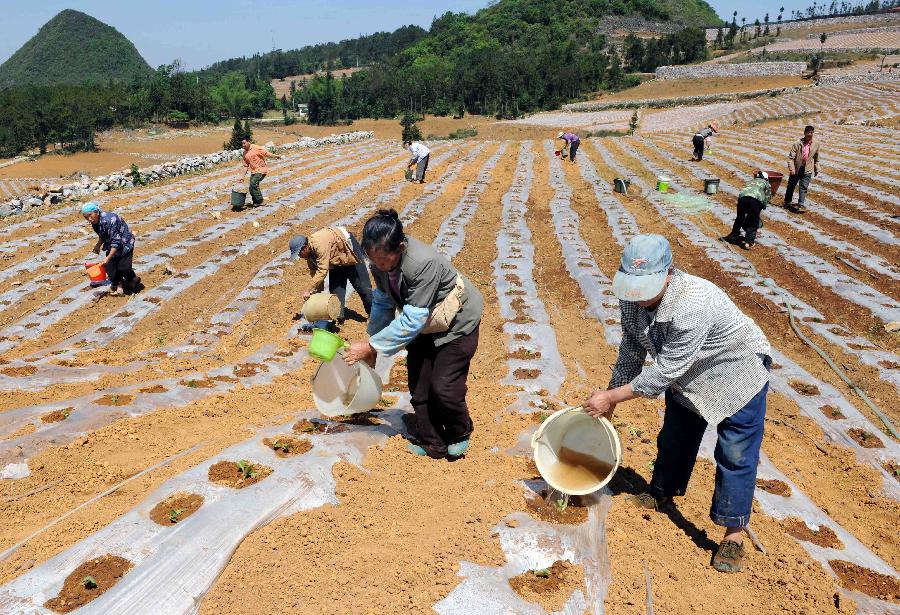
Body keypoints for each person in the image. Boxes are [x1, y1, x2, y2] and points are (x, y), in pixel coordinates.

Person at [582, 234, 771, 574]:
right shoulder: (633, 297)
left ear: (669, 273)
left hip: (735, 370)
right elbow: (632, 345)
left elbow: (666, 370)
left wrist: (611, 397)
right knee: (674, 438)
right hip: (688, 375)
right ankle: (661, 492)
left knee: (735, 454)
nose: (638, 297)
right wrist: (614, 391)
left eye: (646, 287)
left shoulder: (695, 302)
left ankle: (734, 534)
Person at [344, 209, 483, 459]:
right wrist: (372, 341)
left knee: (444, 387)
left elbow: (412, 320)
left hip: (456, 323)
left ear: (400, 246)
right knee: (419, 387)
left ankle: (459, 432)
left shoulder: (422, 263)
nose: (380, 266)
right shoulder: (379, 264)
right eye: (374, 261)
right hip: (425, 323)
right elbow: (384, 302)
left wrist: (373, 346)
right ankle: (433, 443)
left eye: (385, 261)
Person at [289, 227, 373, 332]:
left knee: (363, 287)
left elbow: (322, 271)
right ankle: (338, 319)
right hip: (335, 258)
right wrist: (316, 295)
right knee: (336, 291)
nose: (300, 257)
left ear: (305, 247)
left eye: (299, 253)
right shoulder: (309, 255)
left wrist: (308, 289)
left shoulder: (319, 245)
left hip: (348, 249)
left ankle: (375, 316)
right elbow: (316, 274)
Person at [81, 202, 140, 296]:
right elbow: (103, 235)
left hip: (125, 243)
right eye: (86, 217)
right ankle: (119, 285)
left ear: (96, 212)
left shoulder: (109, 220)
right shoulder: (95, 222)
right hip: (112, 244)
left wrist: (108, 257)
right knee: (110, 267)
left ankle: (134, 279)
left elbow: (116, 242)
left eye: (90, 215)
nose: (89, 219)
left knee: (123, 268)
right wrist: (97, 245)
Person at [723, 171, 772, 250]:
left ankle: (733, 235)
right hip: (755, 201)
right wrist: (763, 206)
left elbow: (745, 190)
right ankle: (748, 243)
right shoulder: (766, 183)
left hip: (742, 199)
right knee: (754, 221)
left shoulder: (751, 181)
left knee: (740, 217)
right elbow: (767, 197)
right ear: (766, 178)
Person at [784, 125, 820, 213]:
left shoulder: (816, 144)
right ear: (805, 133)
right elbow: (790, 158)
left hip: (807, 168)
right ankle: (787, 202)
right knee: (791, 186)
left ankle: (801, 204)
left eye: (811, 132)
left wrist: (817, 168)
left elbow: (816, 158)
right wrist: (792, 168)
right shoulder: (797, 143)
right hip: (797, 168)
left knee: (803, 187)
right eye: (808, 132)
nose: (810, 134)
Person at [240, 138, 282, 208]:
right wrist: (242, 177)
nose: (243, 145)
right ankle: (255, 203)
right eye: (242, 144)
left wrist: (276, 156)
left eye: (244, 143)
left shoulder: (256, 148)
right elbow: (245, 166)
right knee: (251, 188)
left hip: (261, 170)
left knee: (253, 183)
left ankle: (260, 201)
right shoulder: (244, 153)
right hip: (254, 171)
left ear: (249, 142)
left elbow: (266, 153)